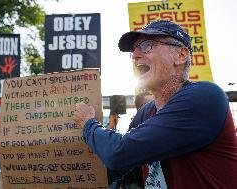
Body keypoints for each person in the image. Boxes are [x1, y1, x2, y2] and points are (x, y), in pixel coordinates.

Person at [74, 20, 237, 189]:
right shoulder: (144, 113)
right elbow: (123, 168)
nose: (135, 55)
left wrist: (88, 123)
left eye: (146, 45)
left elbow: (119, 153)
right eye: (133, 50)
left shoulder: (206, 97)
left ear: (181, 55)